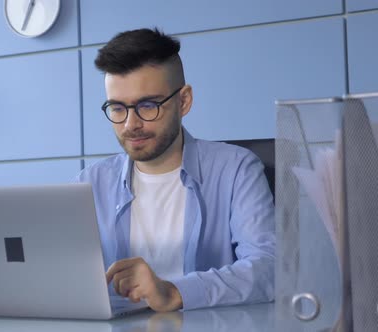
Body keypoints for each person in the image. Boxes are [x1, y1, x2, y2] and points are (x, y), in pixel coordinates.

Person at [75, 28, 275, 311]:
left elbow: (269, 268)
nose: (131, 124)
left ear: (183, 101)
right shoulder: (89, 183)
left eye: (148, 105)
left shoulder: (237, 169)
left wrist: (173, 292)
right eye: (118, 108)